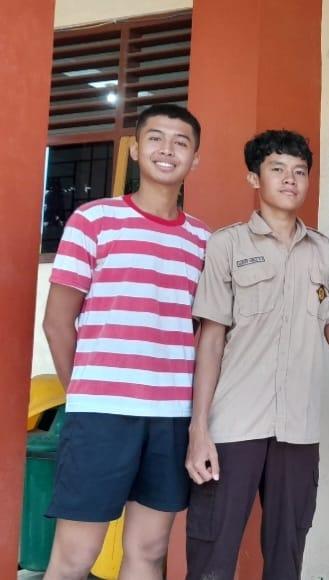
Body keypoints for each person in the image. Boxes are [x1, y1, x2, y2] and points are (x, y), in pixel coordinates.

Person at [184, 130, 329, 580]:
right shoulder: (226, 246)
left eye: (299, 171)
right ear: (254, 178)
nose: (290, 179)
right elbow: (210, 340)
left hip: (298, 429)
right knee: (213, 554)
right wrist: (199, 430)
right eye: (277, 169)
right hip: (233, 425)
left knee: (287, 554)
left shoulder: (324, 252)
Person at [42, 104, 209, 580]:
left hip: (171, 416)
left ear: (195, 159)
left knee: (150, 551)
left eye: (181, 142)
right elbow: (57, 322)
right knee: (75, 556)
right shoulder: (94, 221)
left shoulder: (204, 241)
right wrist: (84, 395)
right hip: (100, 414)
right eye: (155, 138)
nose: (167, 150)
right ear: (136, 149)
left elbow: (206, 334)